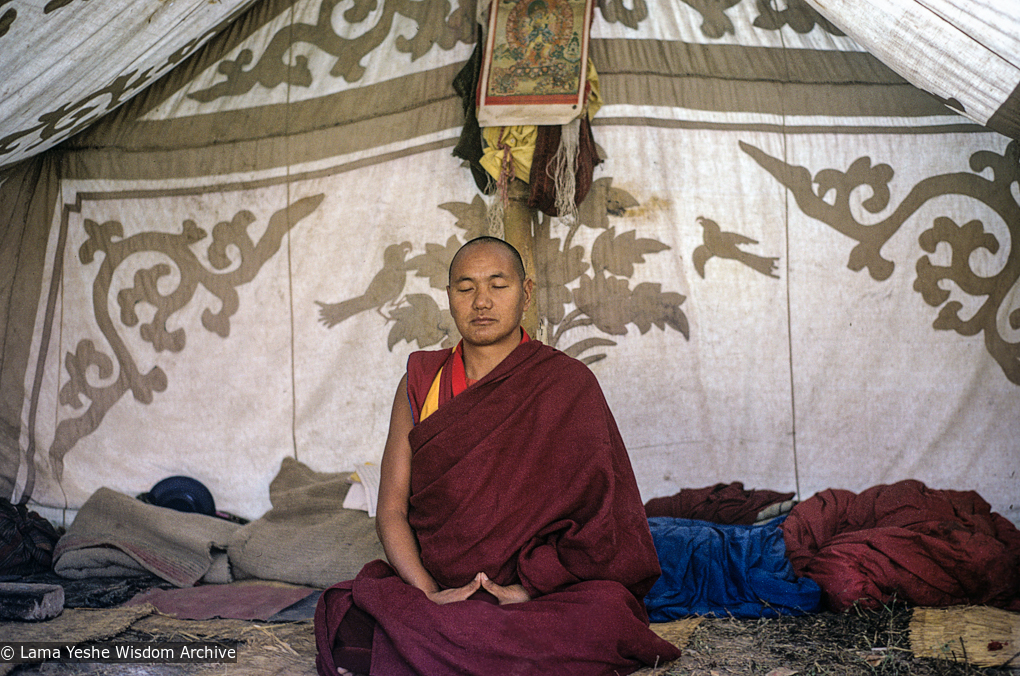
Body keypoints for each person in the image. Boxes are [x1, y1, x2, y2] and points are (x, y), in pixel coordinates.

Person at [314, 237, 681, 676]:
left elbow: (604, 519)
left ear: (526, 293)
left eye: (498, 285)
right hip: (441, 588)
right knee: (347, 615)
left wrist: (527, 589)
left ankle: (451, 644)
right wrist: (428, 593)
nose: (481, 301)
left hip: (540, 594)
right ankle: (463, 639)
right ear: (448, 296)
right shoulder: (422, 380)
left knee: (605, 614)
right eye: (465, 287)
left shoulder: (566, 384)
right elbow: (391, 508)